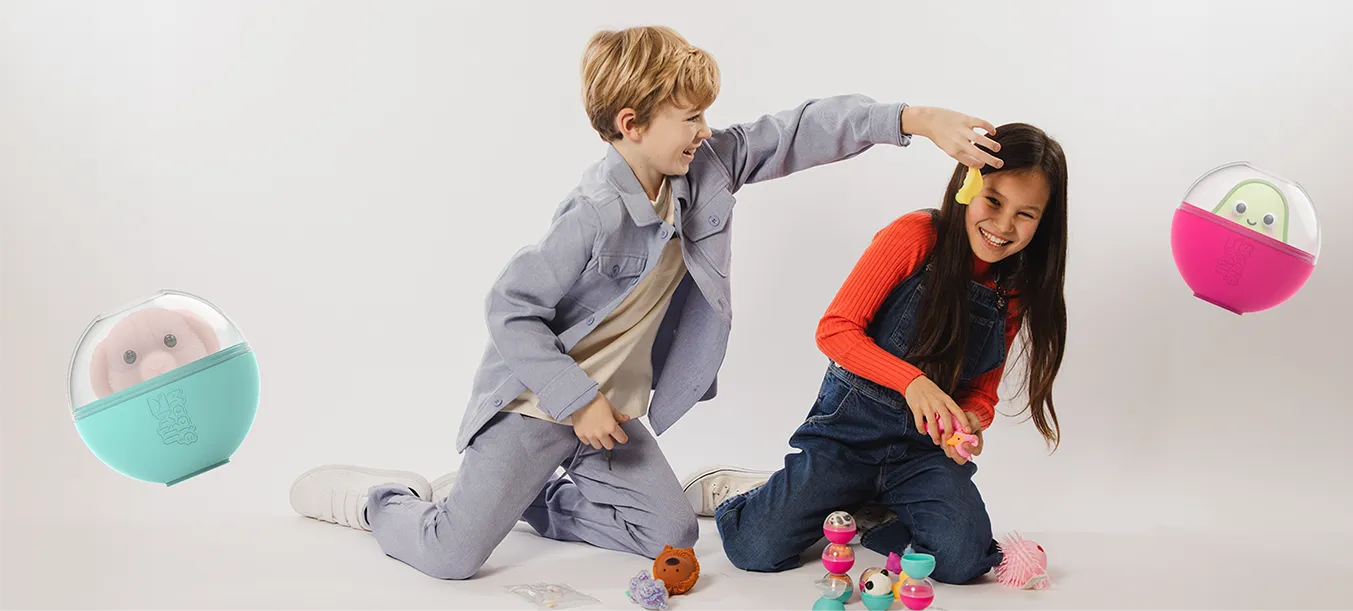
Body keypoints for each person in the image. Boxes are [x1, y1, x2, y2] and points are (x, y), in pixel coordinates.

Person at [287, 24, 1006, 580]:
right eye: (689, 117)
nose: (705, 130)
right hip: (541, 407)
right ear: (632, 124)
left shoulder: (708, 165)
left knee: (673, 535)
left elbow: (797, 129)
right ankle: (382, 500)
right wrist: (576, 400)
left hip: (611, 415)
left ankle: (536, 498)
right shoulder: (592, 213)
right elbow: (509, 308)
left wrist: (914, 118)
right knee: (451, 556)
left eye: (705, 116)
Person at [684, 122, 1069, 585]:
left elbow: (980, 391)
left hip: (921, 456)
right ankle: (752, 494)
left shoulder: (1012, 289)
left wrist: (969, 420)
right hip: (847, 439)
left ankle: (872, 517)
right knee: (755, 549)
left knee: (962, 561)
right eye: (993, 201)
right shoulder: (916, 236)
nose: (1004, 225)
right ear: (967, 188)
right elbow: (835, 330)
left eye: (1026, 215)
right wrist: (913, 382)